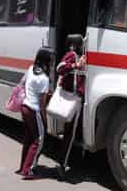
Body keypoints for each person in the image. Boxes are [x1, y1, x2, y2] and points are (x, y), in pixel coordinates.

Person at [16, 47, 53, 180]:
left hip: (24, 107)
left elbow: (23, 83)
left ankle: (22, 167)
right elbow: (42, 105)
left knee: (28, 139)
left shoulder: (31, 69)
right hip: (34, 111)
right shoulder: (44, 79)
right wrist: (45, 120)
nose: (52, 61)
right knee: (39, 141)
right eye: (51, 59)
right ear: (46, 61)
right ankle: (28, 170)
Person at [56, 34, 86, 177]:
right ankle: (62, 164)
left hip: (76, 98)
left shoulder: (78, 56)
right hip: (73, 98)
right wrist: (76, 65)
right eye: (81, 43)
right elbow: (60, 68)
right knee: (70, 133)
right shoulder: (71, 55)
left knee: (73, 132)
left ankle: (70, 161)